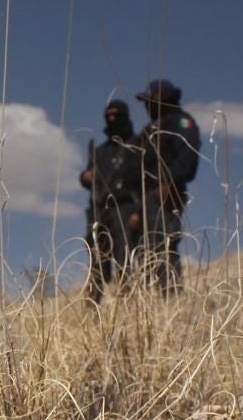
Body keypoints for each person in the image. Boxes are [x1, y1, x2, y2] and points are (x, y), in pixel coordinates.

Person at [135, 79, 200, 293]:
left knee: (163, 246)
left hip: (165, 198)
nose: (146, 105)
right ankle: (149, 304)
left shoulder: (181, 122)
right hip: (143, 201)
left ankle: (170, 300)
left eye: (150, 100)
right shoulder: (147, 131)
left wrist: (169, 183)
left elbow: (188, 157)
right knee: (143, 252)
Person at [79, 99, 141, 301]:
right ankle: (93, 308)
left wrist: (138, 213)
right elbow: (89, 176)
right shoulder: (100, 151)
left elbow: (145, 183)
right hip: (98, 211)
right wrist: (86, 177)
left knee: (124, 259)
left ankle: (127, 304)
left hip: (124, 208)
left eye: (116, 115)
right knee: (96, 261)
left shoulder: (137, 147)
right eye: (108, 115)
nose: (111, 119)